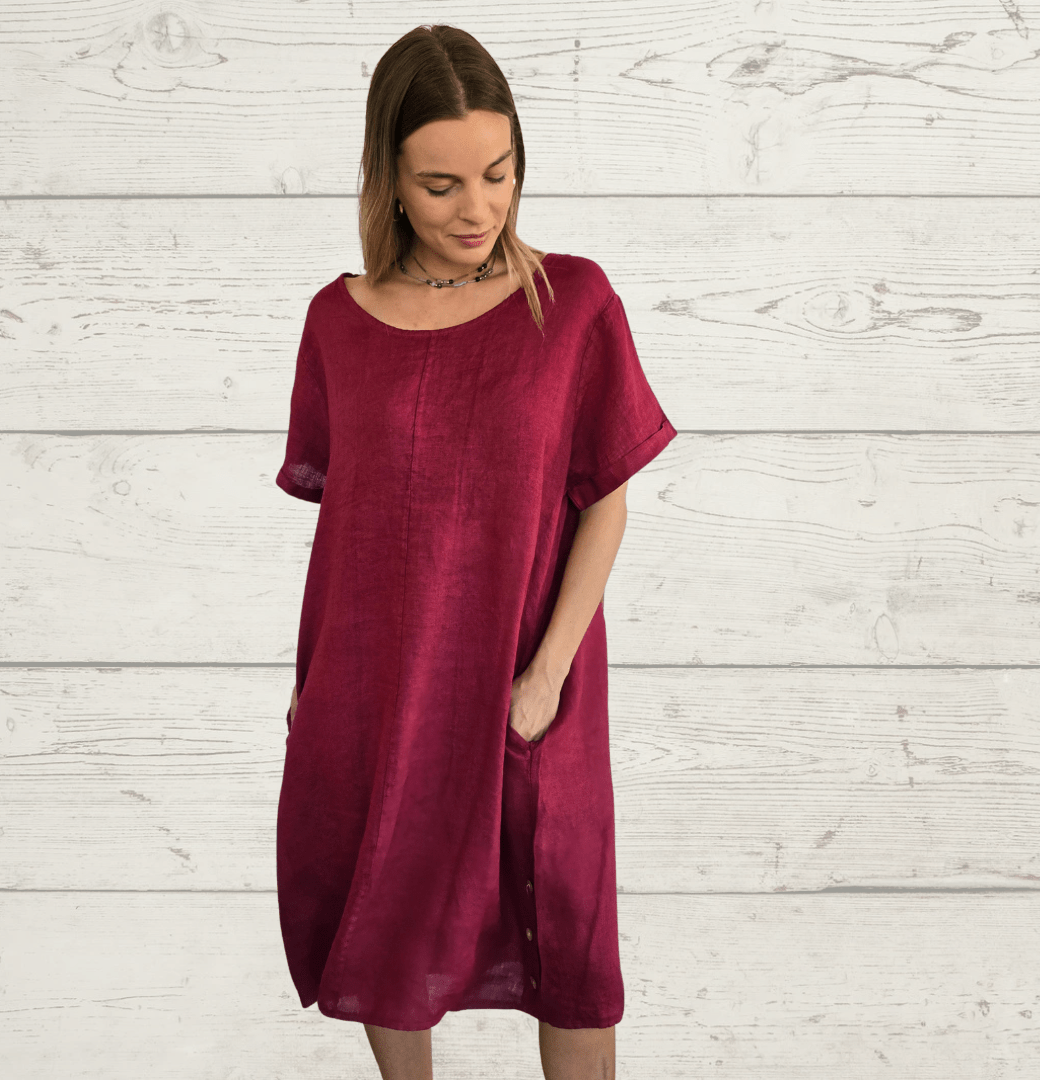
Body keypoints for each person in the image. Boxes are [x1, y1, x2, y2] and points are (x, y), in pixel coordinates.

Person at [275, 24, 677, 1080]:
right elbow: (348, 528)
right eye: (441, 184)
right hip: (375, 687)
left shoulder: (573, 302)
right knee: (387, 920)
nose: (477, 208)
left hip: (528, 685)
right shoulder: (337, 323)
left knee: (570, 941)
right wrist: (312, 686)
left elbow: (607, 503)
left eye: (497, 174)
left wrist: (544, 678)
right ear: (389, 180)